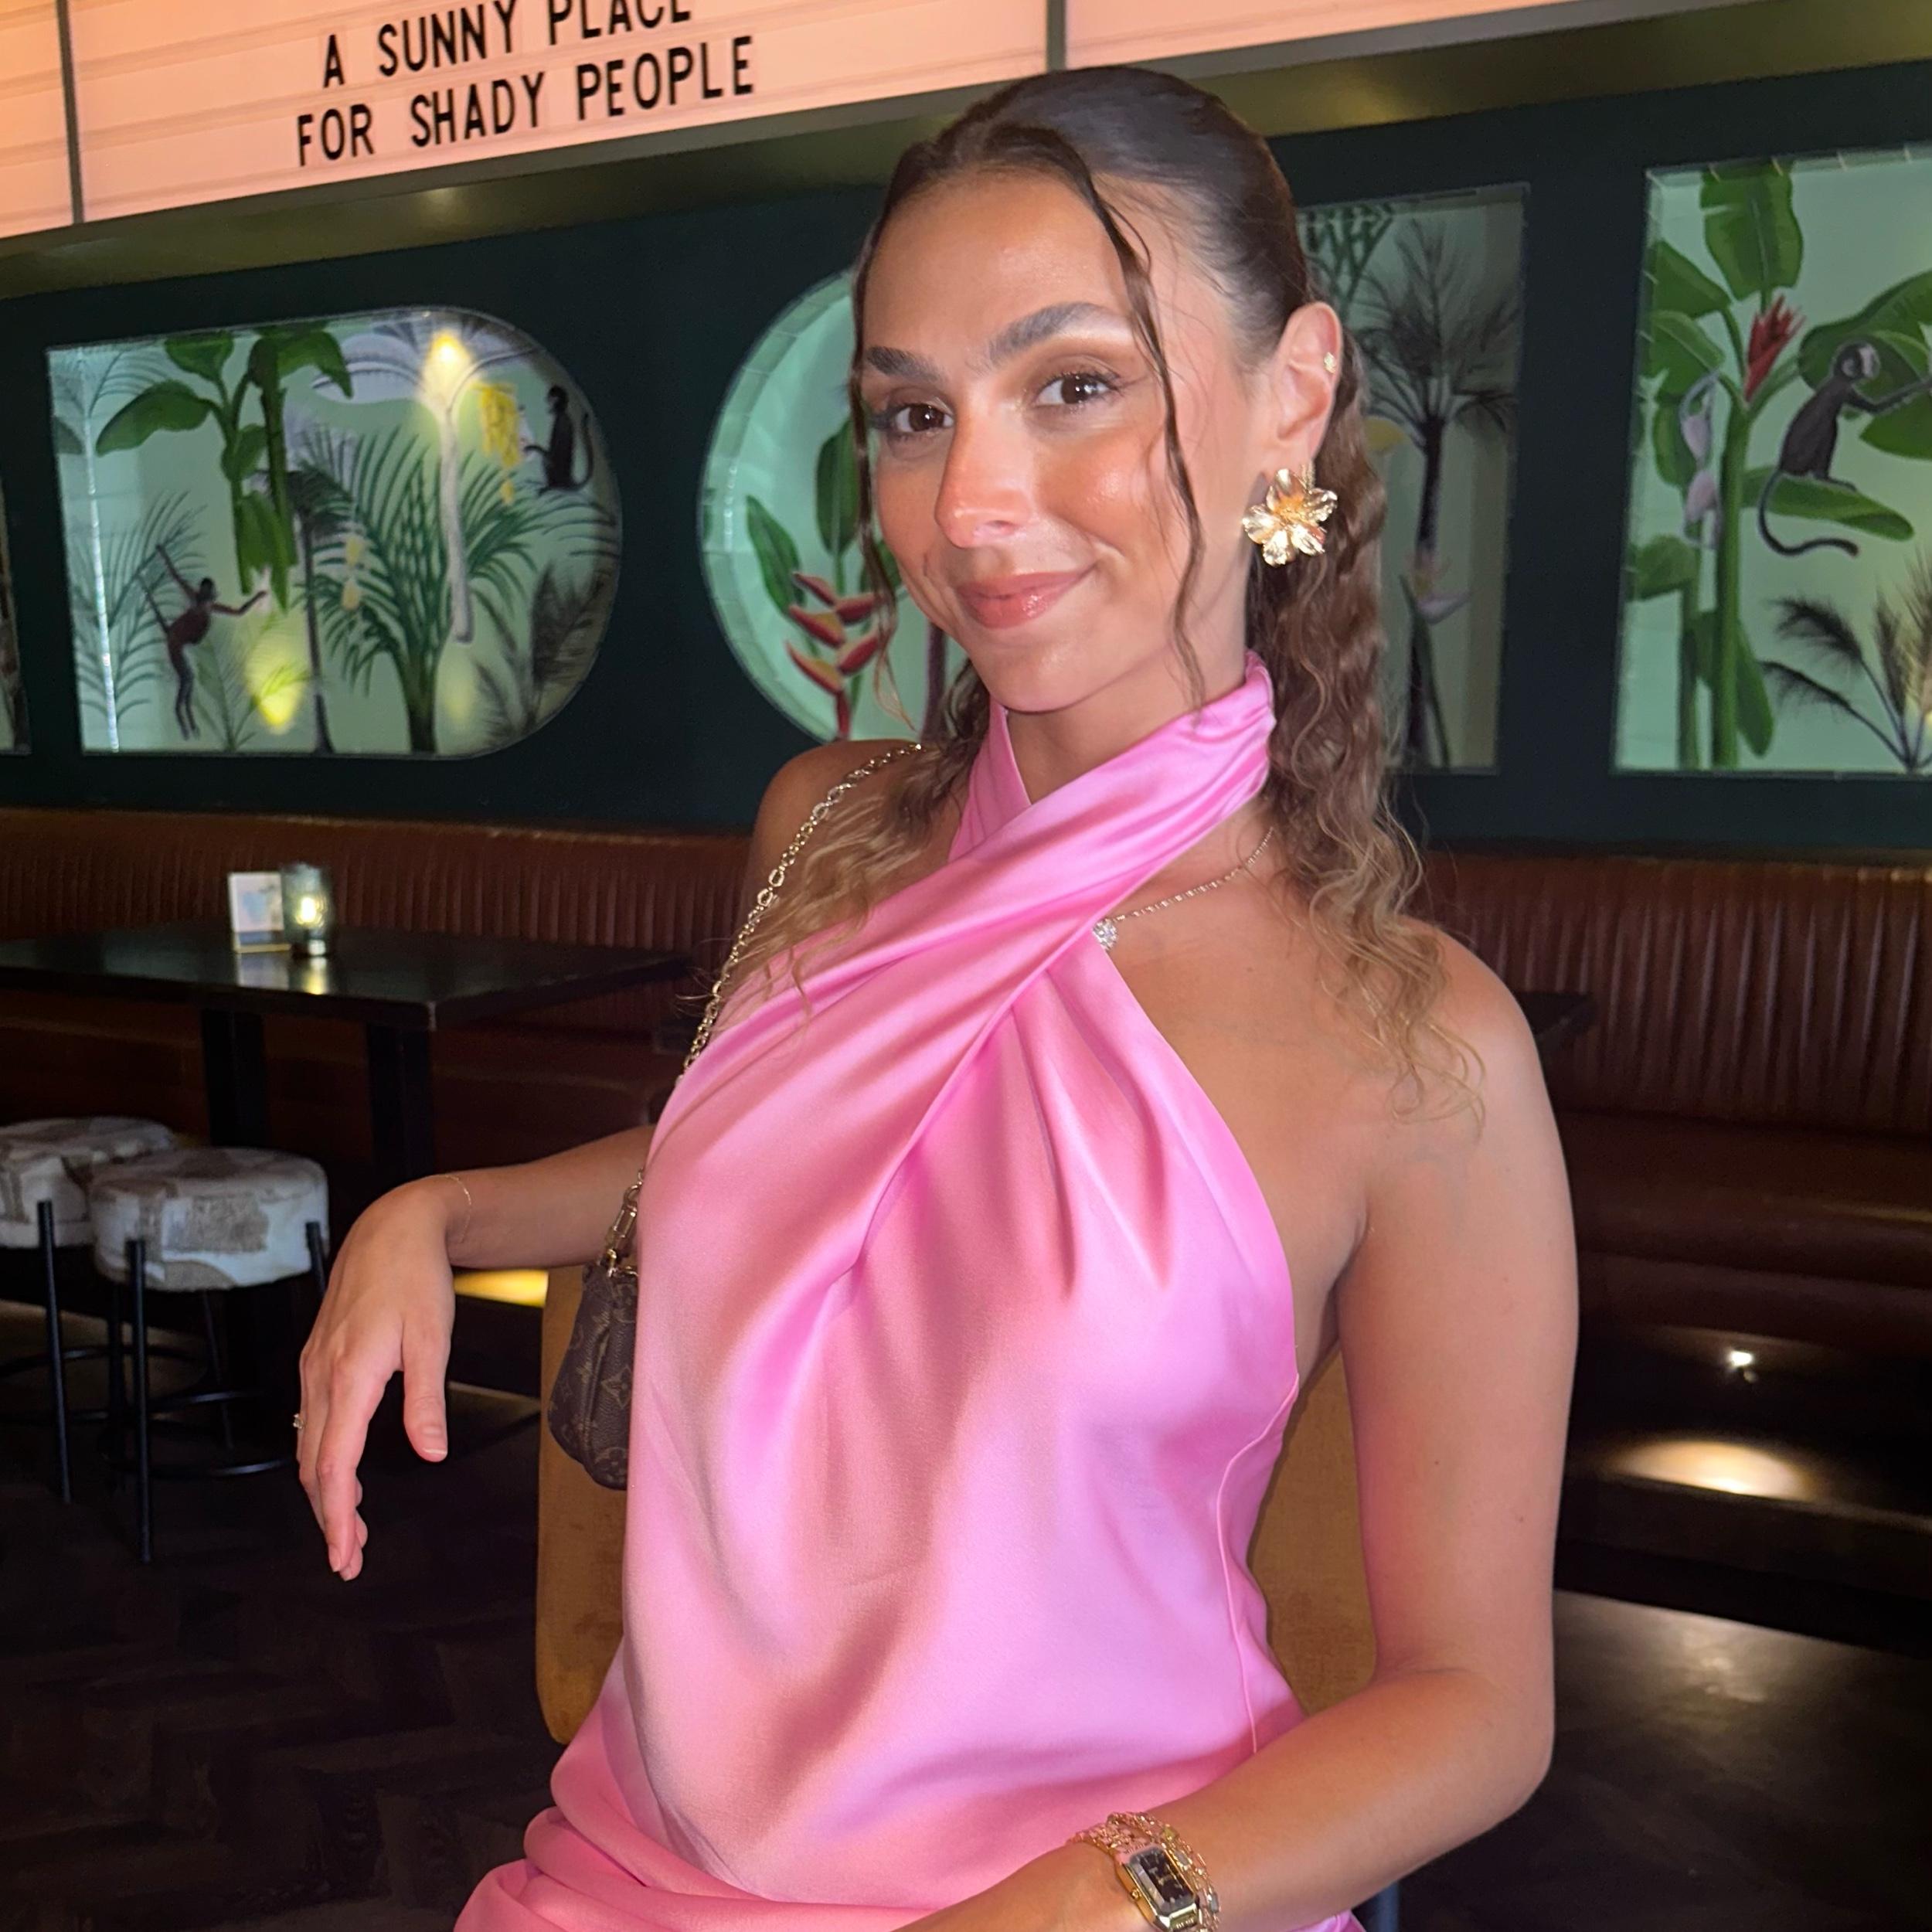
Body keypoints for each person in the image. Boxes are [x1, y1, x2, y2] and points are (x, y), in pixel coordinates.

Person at [296, 63, 1577, 1932]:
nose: (968, 504)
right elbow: (803, 1177)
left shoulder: (1416, 1046)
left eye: (1074, 385)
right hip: (641, 1864)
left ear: (1288, 396)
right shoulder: (825, 829)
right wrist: (442, 1210)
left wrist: (1094, 1901)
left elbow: (1474, 1705)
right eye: (912, 414)